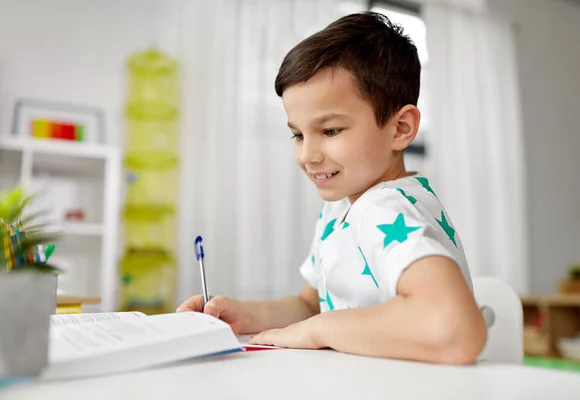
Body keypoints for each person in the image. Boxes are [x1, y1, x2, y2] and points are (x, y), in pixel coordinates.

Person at [177, 11, 487, 365]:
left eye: (330, 131)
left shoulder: (384, 208)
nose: (306, 155)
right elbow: (311, 304)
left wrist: (319, 329)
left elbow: (456, 329)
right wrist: (240, 313)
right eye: (297, 134)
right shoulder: (341, 209)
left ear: (400, 128)